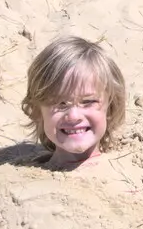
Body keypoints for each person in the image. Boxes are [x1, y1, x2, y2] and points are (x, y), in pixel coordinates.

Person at [21, 36, 127, 171]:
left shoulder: (129, 172)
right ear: (37, 111)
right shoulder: (18, 178)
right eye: (60, 103)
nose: (73, 116)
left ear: (111, 108)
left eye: (88, 101)